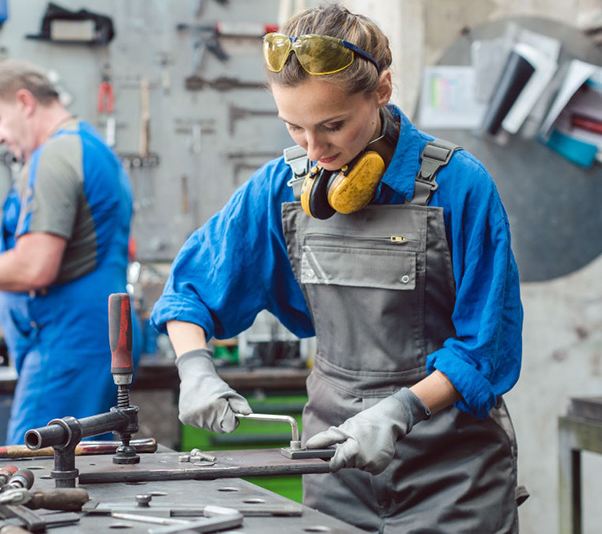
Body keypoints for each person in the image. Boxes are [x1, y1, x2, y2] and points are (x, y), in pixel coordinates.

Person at [150, 3, 524, 532]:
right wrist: (195, 369)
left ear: (382, 91)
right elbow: (189, 289)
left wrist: (400, 412)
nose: (314, 149)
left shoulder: (459, 188)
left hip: (454, 479)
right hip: (332, 468)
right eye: (294, 127)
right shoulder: (282, 187)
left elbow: (488, 349)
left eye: (332, 125)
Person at [0, 60, 139, 445]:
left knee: (34, 471)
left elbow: (36, 267)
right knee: (78, 472)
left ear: (25, 102)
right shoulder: (91, 147)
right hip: (87, 340)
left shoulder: (54, 157)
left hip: (65, 347)